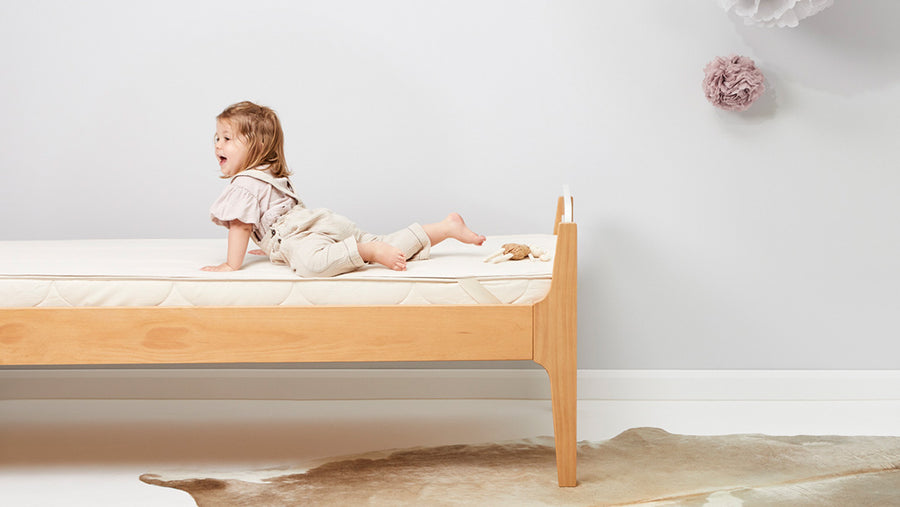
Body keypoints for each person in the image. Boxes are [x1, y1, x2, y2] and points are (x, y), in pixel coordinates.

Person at [202, 101, 485, 276]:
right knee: (387, 241)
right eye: (216, 137)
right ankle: (445, 227)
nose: (218, 144)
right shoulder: (268, 174)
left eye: (227, 138)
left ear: (259, 146)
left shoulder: (244, 184)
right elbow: (277, 216)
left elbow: (240, 226)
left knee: (312, 265)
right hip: (321, 222)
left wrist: (231, 265)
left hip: (301, 234)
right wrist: (273, 249)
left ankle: (367, 251)